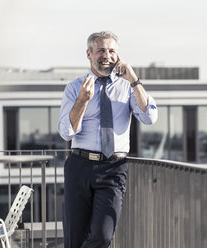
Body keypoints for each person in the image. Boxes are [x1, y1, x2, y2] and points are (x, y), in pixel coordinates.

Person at [58, 31, 158, 248]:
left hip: (113, 168)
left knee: (103, 236)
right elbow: (66, 132)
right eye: (101, 50)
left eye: (112, 51)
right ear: (89, 54)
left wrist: (134, 79)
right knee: (74, 238)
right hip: (80, 166)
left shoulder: (128, 87)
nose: (107, 56)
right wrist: (82, 101)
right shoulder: (75, 88)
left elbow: (149, 116)